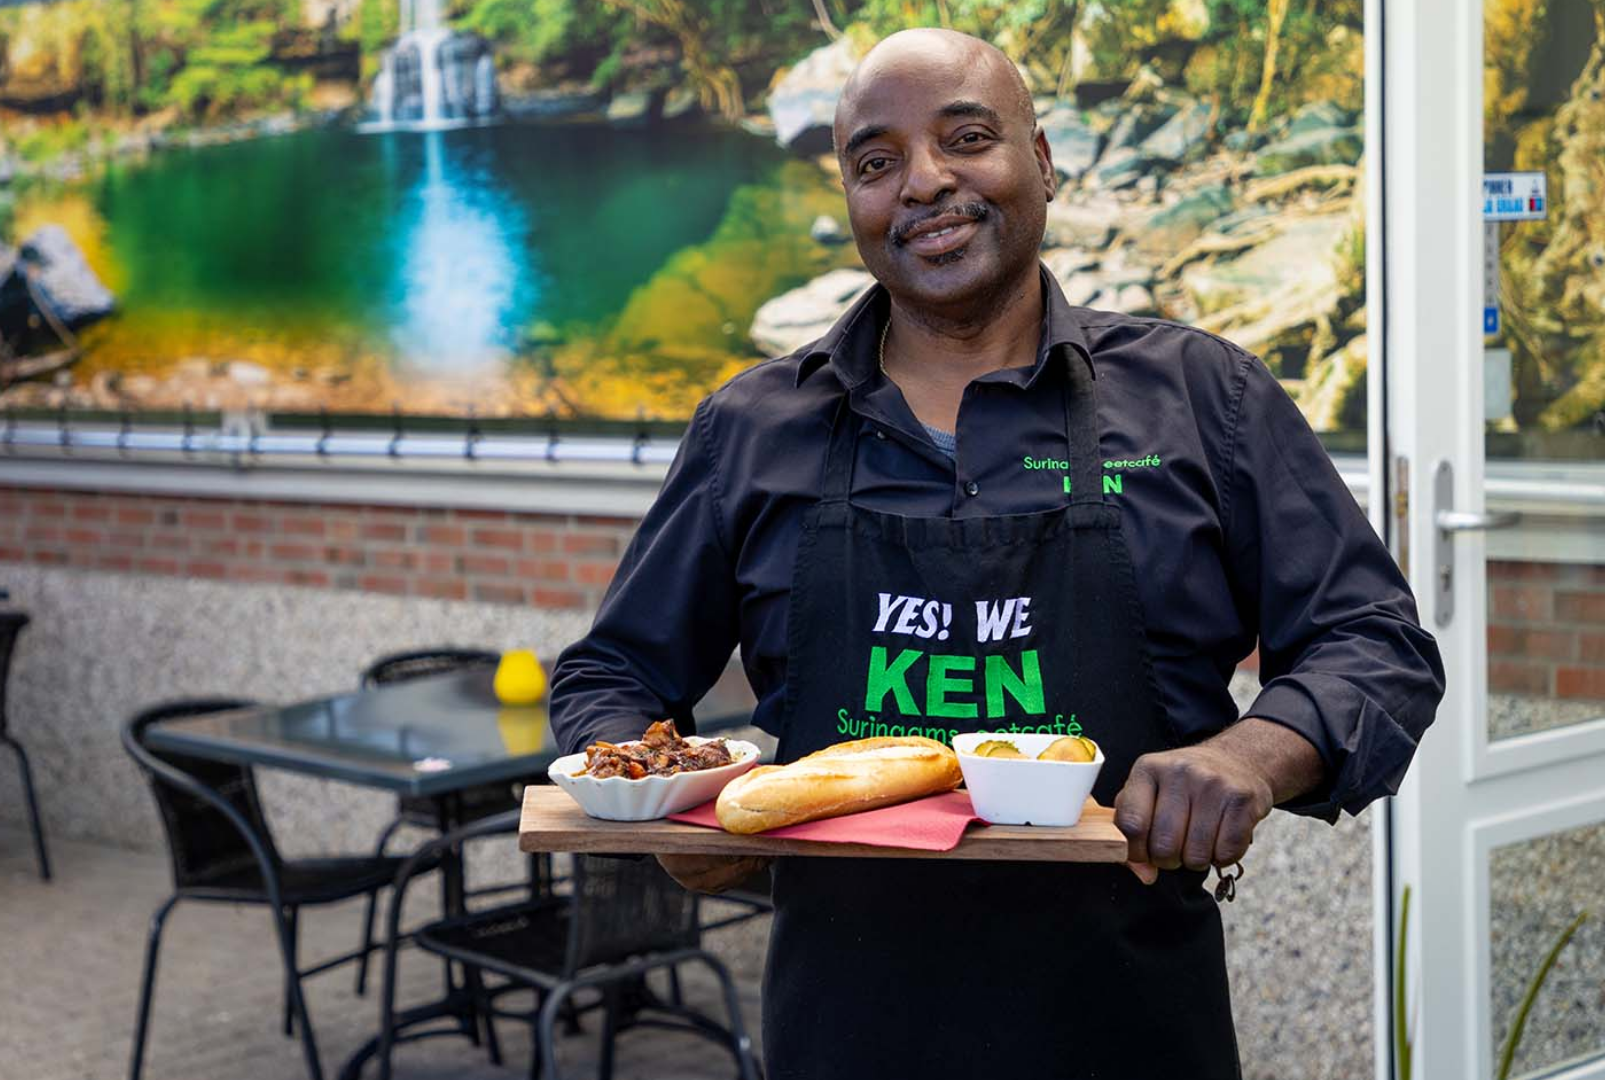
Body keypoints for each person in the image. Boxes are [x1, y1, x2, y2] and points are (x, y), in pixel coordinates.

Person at [551, 27, 1443, 1079]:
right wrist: (666, 806)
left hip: (1130, 1030)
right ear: (852, 201)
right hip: (846, 1034)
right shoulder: (753, 428)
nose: (924, 181)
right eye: (876, 162)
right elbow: (613, 673)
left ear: (1044, 161)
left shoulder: (1205, 399)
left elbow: (1374, 643)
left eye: (967, 138)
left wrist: (1252, 754)